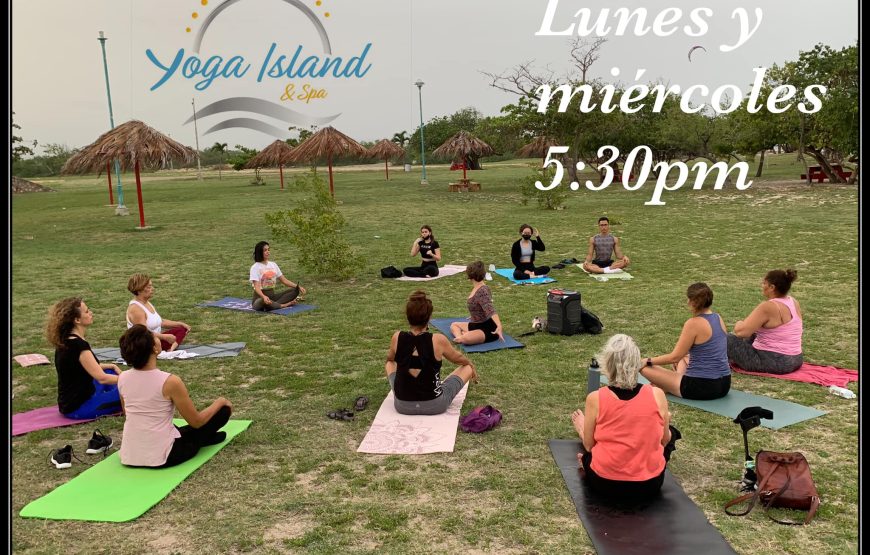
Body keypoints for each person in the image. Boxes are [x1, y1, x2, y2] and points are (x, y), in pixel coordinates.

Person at [571, 334, 678, 504]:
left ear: (608, 365)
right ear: (636, 363)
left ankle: (589, 465)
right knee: (672, 433)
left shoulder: (596, 398)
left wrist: (582, 427)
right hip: (649, 485)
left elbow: (590, 445)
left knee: (588, 455)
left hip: (605, 483)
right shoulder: (657, 394)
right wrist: (662, 424)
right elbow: (664, 441)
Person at [117, 324, 233, 468]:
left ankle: (205, 437)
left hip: (131, 454)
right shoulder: (170, 381)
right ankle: (204, 438)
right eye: (155, 337)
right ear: (154, 348)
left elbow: (128, 414)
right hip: (165, 456)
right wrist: (220, 402)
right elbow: (196, 422)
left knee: (177, 428)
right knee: (222, 412)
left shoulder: (122, 377)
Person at [385, 291, 478, 415]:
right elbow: (458, 359)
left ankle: (405, 389)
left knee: (389, 364)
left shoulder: (396, 337)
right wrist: (470, 365)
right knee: (467, 368)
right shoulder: (438, 339)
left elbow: (390, 359)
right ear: (428, 318)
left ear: (408, 317)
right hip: (435, 405)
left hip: (403, 405)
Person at [640, 283, 731, 400]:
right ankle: (669, 384)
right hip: (724, 385)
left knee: (644, 368)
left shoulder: (693, 323)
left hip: (701, 387)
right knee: (685, 358)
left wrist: (647, 361)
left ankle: (667, 385)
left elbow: (674, 357)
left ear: (692, 302)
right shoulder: (718, 317)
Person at [46, 297, 122, 419]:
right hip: (80, 407)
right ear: (77, 319)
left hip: (70, 402)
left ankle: (109, 394)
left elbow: (83, 366)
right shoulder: (79, 346)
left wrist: (112, 365)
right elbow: (102, 378)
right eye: (86, 311)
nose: (90, 313)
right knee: (132, 390)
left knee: (110, 371)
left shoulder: (65, 340)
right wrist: (131, 379)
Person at [727, 269, 803, 374]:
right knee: (753, 334)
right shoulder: (794, 302)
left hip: (776, 362)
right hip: (796, 359)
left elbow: (741, 332)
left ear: (772, 287)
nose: (762, 286)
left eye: (764, 283)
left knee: (727, 339)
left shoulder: (768, 306)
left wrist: (739, 323)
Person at [126, 273, 191, 352]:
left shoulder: (147, 303)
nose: (152, 289)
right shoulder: (135, 309)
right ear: (139, 290)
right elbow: (143, 333)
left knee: (181, 329)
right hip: (143, 344)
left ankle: (170, 349)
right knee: (157, 341)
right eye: (149, 287)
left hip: (154, 340)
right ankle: (166, 349)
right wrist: (164, 337)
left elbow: (160, 321)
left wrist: (179, 323)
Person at [450, 261, 505, 346]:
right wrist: (474, 314)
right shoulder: (478, 287)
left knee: (466, 339)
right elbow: (479, 306)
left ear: (469, 275)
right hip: (476, 324)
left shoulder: (482, 291)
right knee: (454, 325)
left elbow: (491, 310)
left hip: (487, 328)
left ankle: (463, 338)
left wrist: (499, 326)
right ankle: (460, 338)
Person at [249, 241, 307, 311]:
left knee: (295, 290)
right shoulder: (255, 267)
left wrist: (298, 287)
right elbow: (257, 287)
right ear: (259, 252)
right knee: (262, 300)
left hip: (272, 297)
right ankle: (283, 305)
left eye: (268, 249)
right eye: (265, 250)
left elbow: (284, 280)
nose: (268, 252)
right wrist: (264, 296)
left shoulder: (273, 265)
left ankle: (271, 305)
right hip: (259, 299)